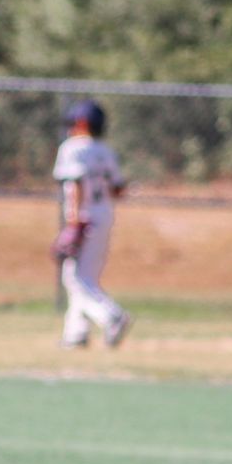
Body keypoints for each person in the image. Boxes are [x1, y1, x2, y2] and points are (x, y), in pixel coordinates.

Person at [53, 99, 131, 349]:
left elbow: (76, 183)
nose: (71, 128)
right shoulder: (105, 151)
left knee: (75, 278)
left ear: (83, 123)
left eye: (74, 123)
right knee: (86, 276)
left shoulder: (73, 148)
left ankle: (111, 316)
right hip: (104, 215)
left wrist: (74, 222)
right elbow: (118, 189)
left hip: (84, 217)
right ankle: (76, 334)